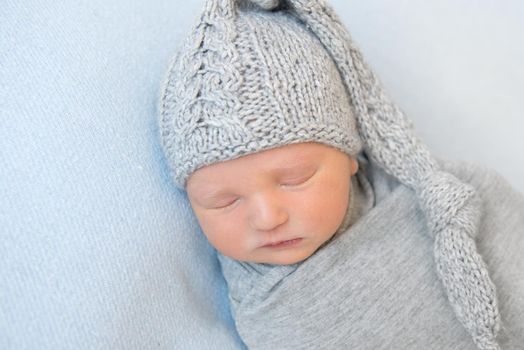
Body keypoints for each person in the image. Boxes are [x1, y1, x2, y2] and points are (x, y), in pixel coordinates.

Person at [158, 0, 524, 349]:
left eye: (295, 178)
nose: (268, 218)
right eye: (224, 201)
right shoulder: (273, 306)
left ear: (350, 156)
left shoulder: (441, 197)